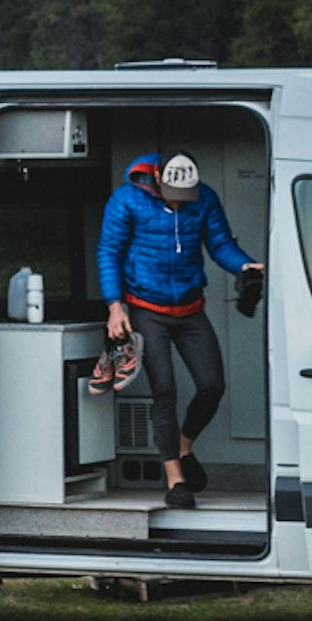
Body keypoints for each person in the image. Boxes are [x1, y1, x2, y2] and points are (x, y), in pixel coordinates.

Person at [95, 152, 259, 508]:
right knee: (164, 389)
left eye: (186, 195)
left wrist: (244, 265)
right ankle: (175, 480)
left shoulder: (204, 198)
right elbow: (110, 250)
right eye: (172, 195)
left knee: (212, 385)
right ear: (157, 181)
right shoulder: (127, 200)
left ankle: (184, 446)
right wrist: (114, 305)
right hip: (146, 308)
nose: (179, 202)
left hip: (190, 308)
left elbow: (219, 244)